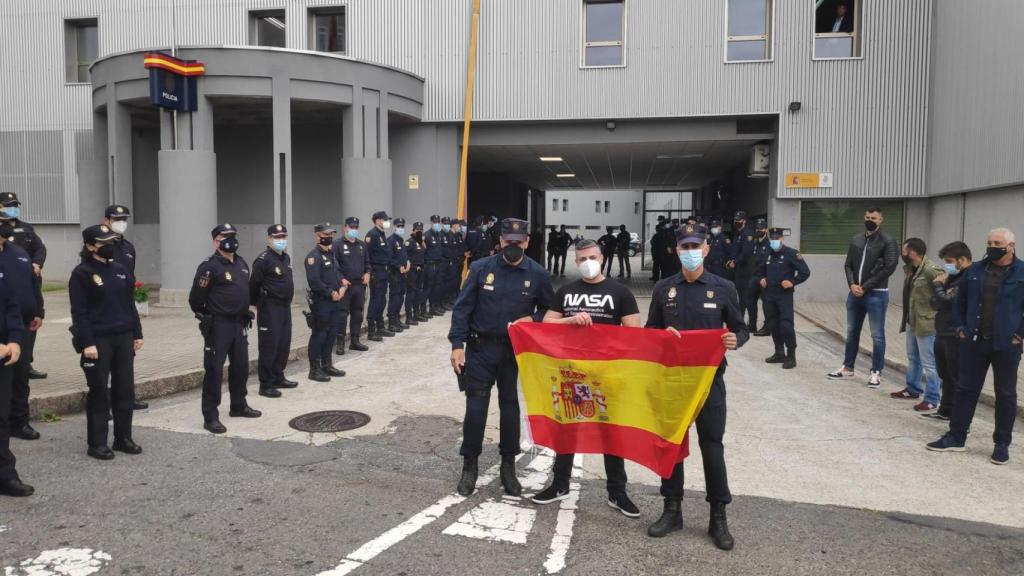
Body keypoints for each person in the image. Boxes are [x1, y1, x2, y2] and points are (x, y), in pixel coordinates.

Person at [645, 222, 747, 550]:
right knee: (671, 445)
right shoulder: (663, 289)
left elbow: (741, 328)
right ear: (677, 250)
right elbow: (649, 331)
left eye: (695, 247)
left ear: (706, 249)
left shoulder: (723, 288)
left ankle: (718, 517)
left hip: (709, 382)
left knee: (712, 446)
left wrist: (736, 339)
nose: (690, 253)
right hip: (673, 381)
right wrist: (662, 337)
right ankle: (672, 510)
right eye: (684, 247)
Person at [532, 239, 641, 518]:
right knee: (567, 428)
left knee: (611, 433)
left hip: (608, 375)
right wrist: (569, 321)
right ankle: (559, 485)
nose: (587, 262)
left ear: (602, 258)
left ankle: (617, 492)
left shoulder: (620, 292)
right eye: (582, 259)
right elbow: (546, 324)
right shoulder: (566, 292)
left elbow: (635, 334)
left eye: (592, 257)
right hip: (571, 372)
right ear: (576, 262)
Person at [449, 218, 555, 497]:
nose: (513, 247)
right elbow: (463, 308)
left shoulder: (538, 273)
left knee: (510, 409)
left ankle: (508, 466)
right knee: (475, 410)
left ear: (527, 242)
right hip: (481, 349)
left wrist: (531, 318)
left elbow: (550, 311)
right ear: (500, 242)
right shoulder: (481, 268)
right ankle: (469, 465)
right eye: (508, 242)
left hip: (513, 352)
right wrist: (456, 344)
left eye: (518, 243)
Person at [927, 228, 1024, 465]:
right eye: (989, 242)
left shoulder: (1022, 272)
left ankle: (1001, 444)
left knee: (1006, 394)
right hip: (973, 342)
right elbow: (959, 301)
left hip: (1006, 345)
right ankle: (956, 437)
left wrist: (1020, 335)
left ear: (1010, 246)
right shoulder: (975, 271)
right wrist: (960, 327)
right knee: (965, 390)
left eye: (997, 242)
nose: (992, 246)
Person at [69, 224, 144, 460]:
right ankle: (97, 442)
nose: (109, 246)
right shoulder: (82, 273)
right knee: (99, 391)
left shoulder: (120, 270)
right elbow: (79, 313)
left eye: (111, 242)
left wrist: (137, 333)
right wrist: (87, 343)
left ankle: (123, 438)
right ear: (90, 246)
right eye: (103, 243)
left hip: (123, 337)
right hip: (98, 340)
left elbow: (129, 305)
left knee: (124, 390)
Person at [188, 223, 261, 434]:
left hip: (239, 324)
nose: (230, 239)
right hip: (218, 325)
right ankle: (210, 416)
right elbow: (196, 299)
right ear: (215, 242)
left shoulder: (242, 263)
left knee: (240, 367)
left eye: (232, 235)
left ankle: (238, 405)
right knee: (214, 370)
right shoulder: (209, 266)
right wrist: (208, 317)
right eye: (224, 236)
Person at [829, 206, 899, 387]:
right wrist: (852, 285)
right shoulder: (856, 240)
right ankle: (848, 368)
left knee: (877, 335)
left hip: (876, 294)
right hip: (855, 294)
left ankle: (876, 372)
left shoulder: (888, 241)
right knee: (852, 332)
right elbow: (848, 265)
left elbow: (889, 268)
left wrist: (865, 287)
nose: (870, 220)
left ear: (881, 220)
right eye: (867, 216)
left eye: (874, 218)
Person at [889, 238, 943, 411]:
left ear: (912, 252)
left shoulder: (930, 270)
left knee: (929, 363)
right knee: (913, 358)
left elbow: (946, 290)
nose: (902, 254)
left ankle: (932, 397)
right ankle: (913, 389)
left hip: (926, 323)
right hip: (913, 321)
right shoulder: (912, 270)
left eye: (904, 250)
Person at [0, 226, 42, 442]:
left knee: (21, 376)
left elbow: (33, 284)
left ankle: (20, 421)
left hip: (22, 326)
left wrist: (39, 310)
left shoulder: (19, 253)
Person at [0, 192, 46, 381]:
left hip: (26, 282)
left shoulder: (26, 228)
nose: (14, 208)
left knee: (27, 335)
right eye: (9, 205)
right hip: (7, 295)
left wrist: (36, 264)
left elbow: (40, 248)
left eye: (15, 205)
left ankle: (26, 363)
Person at [924, 241, 972, 422]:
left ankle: (958, 416)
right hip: (942, 330)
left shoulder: (967, 278)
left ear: (962, 260)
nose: (948, 265)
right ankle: (945, 410)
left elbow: (947, 301)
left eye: (950, 261)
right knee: (944, 373)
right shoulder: (952, 278)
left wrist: (938, 286)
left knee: (955, 375)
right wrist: (941, 289)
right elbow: (935, 303)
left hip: (955, 333)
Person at [249, 224, 296, 398]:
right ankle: (266, 384)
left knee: (284, 343)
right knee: (269, 345)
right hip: (269, 307)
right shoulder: (263, 260)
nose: (281, 240)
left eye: (283, 237)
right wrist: (253, 304)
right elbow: (253, 284)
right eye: (277, 237)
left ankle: (278, 376)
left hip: (285, 307)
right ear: (269, 239)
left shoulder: (286, 258)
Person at [758, 228, 810, 369]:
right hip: (769, 295)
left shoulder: (791, 254)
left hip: (784, 296)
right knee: (773, 324)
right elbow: (761, 269)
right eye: (772, 239)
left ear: (782, 239)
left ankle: (791, 356)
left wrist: (792, 282)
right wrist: (762, 278)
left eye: (777, 239)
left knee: (786, 326)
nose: (774, 241)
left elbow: (805, 272)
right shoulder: (768, 253)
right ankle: (779, 352)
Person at [305, 223, 347, 383]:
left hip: (336, 301)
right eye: (325, 234)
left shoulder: (331, 254)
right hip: (322, 302)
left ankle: (327, 364)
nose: (329, 237)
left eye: (331, 234)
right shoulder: (313, 257)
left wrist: (342, 284)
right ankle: (314, 369)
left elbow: (336, 274)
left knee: (331, 333)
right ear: (317, 236)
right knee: (320, 334)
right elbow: (314, 281)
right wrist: (330, 292)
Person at [0, 272, 29, 497]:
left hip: (4, 355)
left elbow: (12, 308)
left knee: (1, 417)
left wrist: (15, 341)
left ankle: (5, 475)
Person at [333, 217, 371, 353]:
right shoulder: (337, 245)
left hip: (359, 286)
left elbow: (367, 262)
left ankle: (355, 341)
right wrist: (341, 279)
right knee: (342, 315)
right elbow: (334, 266)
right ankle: (340, 342)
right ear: (345, 228)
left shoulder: (362, 245)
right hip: (345, 286)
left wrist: (367, 273)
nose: (353, 230)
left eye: (356, 228)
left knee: (357, 314)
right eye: (351, 227)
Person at [365, 211, 394, 340]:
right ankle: (371, 331)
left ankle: (380, 326)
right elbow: (367, 256)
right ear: (377, 220)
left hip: (384, 271)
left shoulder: (382, 234)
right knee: (375, 300)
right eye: (385, 220)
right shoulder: (372, 235)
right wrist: (370, 273)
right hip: (376, 272)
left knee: (382, 300)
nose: (387, 222)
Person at [727, 211, 755, 327]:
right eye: (735, 220)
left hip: (745, 270)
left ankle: (745, 321)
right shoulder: (738, 234)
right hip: (738, 269)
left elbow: (746, 253)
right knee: (739, 295)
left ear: (744, 221)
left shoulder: (747, 234)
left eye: (739, 220)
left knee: (745, 297)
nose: (736, 222)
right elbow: (735, 250)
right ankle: (740, 319)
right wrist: (731, 260)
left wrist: (735, 261)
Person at [386, 218, 410, 334]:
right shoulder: (390, 240)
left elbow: (403, 255)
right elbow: (389, 258)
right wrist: (398, 266)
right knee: (394, 297)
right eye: (399, 226)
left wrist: (407, 263)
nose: (401, 228)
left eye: (402, 226)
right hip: (394, 273)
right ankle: (391, 322)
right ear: (394, 226)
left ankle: (397, 319)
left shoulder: (401, 240)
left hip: (403, 273)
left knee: (400, 297)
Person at [749, 219, 772, 336]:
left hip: (764, 279)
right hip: (754, 277)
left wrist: (766, 277)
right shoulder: (755, 243)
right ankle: (752, 325)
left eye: (761, 229)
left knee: (766, 304)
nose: (758, 231)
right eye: (757, 229)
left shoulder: (769, 244)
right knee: (750, 302)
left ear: (766, 230)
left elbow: (769, 263)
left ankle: (767, 328)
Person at [424, 215, 447, 318]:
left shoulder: (438, 235)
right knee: (429, 287)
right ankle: (427, 309)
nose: (437, 224)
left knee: (437, 286)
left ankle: (435, 307)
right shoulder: (427, 235)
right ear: (431, 223)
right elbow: (423, 251)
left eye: (438, 222)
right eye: (435, 222)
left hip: (438, 264)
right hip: (430, 264)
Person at [405, 222, 428, 325]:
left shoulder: (421, 242)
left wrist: (422, 243)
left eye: (421, 230)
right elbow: (404, 256)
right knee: (411, 293)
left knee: (419, 292)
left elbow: (423, 253)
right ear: (413, 230)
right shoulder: (409, 242)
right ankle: (409, 317)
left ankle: (416, 314)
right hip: (412, 270)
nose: (419, 231)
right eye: (417, 230)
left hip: (420, 269)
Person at [649, 216, 666, 281]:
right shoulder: (660, 236)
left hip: (660, 253)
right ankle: (657, 277)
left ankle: (658, 277)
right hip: (659, 253)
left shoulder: (663, 235)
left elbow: (652, 243)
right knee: (658, 265)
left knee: (660, 266)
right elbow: (652, 243)